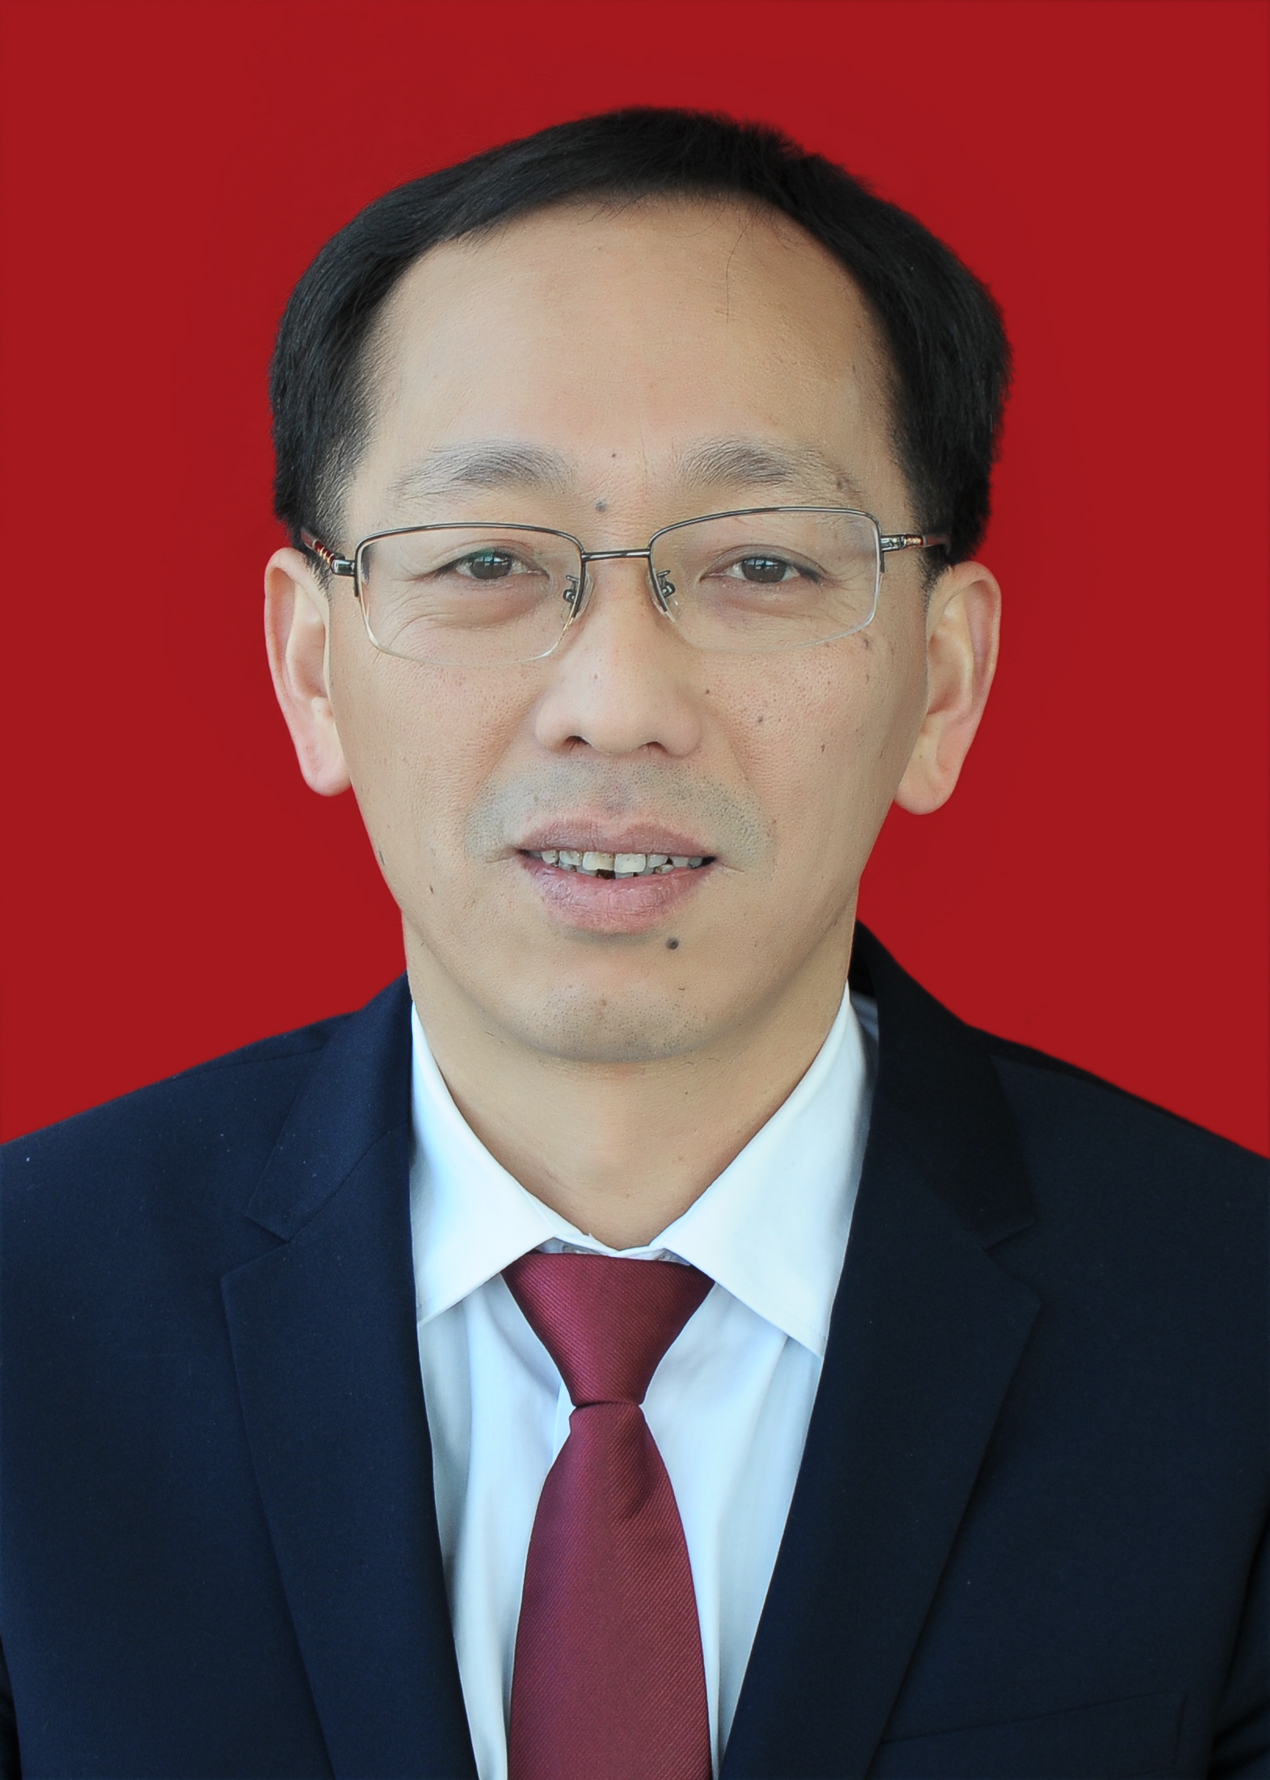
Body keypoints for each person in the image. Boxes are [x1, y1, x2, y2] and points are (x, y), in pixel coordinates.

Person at [0, 106, 1264, 1780]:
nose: (616, 702)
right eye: (485, 561)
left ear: (941, 683)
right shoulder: (28, 1314)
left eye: (760, 563)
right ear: (312, 669)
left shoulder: (1232, 1333)